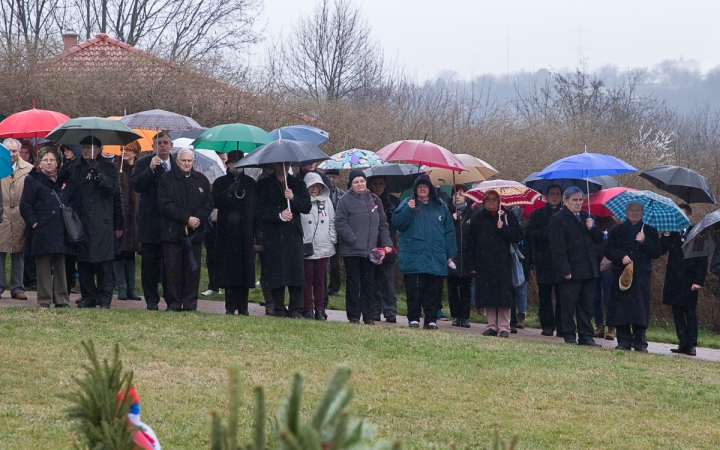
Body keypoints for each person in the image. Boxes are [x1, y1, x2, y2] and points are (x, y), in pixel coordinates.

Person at [64, 136, 123, 309]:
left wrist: (97, 171)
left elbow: (112, 190)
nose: (85, 151)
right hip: (80, 221)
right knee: (84, 262)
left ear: (98, 149)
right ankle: (88, 296)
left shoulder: (108, 168)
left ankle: (104, 298)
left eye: (89, 148)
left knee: (103, 263)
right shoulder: (75, 167)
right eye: (83, 148)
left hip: (102, 221)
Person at [393, 175, 456, 330]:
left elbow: (449, 231)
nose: (422, 188)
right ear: (415, 188)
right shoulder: (407, 203)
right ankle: (413, 318)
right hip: (414, 255)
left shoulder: (441, 206)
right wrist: (409, 209)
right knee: (414, 290)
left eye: (425, 186)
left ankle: (431, 319)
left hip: (436, 255)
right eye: (419, 186)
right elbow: (397, 223)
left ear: (430, 189)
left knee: (433, 290)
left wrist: (450, 254)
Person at [158, 149, 213, 311]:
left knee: (192, 270)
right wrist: (186, 218)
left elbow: (208, 203)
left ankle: (190, 303)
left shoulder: (201, 180)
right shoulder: (166, 179)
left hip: (195, 234)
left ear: (194, 162)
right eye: (184, 160)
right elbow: (165, 204)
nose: (187, 163)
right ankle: (174, 303)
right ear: (177, 161)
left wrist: (197, 219)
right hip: (172, 233)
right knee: (173, 271)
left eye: (190, 161)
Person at [255, 161, 311, 318]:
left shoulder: (298, 184)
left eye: (287, 164)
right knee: (275, 271)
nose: (284, 167)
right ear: (274, 165)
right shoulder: (263, 185)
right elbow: (258, 209)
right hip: (273, 234)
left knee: (295, 272)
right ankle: (278, 308)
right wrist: (279, 215)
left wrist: (293, 198)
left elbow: (306, 206)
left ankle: (296, 309)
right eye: (280, 164)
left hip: (293, 234)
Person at [335, 170, 392, 324]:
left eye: (362, 181)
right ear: (351, 184)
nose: (360, 184)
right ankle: (353, 316)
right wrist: (353, 239)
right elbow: (340, 222)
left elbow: (383, 224)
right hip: (352, 251)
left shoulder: (374, 199)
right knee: (353, 283)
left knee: (369, 284)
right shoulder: (344, 200)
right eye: (356, 182)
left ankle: (369, 315)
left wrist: (387, 244)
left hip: (370, 251)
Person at [604, 201, 663, 352]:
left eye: (638, 210)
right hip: (620, 275)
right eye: (631, 210)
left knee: (639, 310)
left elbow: (657, 252)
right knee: (621, 308)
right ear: (626, 211)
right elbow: (609, 250)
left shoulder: (650, 231)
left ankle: (640, 343)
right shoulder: (616, 230)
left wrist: (645, 241)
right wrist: (621, 256)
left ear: (642, 213)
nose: (634, 213)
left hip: (641, 277)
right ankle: (623, 341)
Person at [549, 187, 604, 346]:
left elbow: (599, 239)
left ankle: (586, 336)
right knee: (568, 305)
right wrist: (564, 269)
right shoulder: (558, 219)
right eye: (575, 200)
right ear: (565, 201)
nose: (578, 203)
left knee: (586, 306)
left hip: (588, 269)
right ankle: (569, 335)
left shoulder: (588, 217)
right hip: (571, 270)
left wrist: (592, 227)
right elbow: (557, 248)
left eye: (581, 199)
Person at [466, 190, 523, 337]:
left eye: (494, 199)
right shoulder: (478, 218)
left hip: (504, 263)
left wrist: (503, 228)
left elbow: (518, 236)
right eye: (488, 199)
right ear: (484, 201)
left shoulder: (508, 216)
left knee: (504, 296)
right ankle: (492, 325)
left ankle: (504, 326)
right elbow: (470, 242)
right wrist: (471, 264)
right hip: (484, 263)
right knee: (488, 295)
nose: (491, 202)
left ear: (499, 201)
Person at [19, 147, 70, 308]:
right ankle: (44, 299)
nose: (48, 163)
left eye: (52, 160)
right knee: (43, 265)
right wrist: (34, 223)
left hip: (61, 227)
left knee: (61, 264)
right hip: (42, 228)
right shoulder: (32, 179)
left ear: (57, 163)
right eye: (45, 160)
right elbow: (25, 205)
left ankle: (61, 298)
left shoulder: (64, 178)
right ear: (39, 163)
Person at [132, 131, 175, 310]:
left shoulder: (177, 164)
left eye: (165, 142)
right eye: (158, 143)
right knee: (149, 263)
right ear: (153, 146)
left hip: (170, 222)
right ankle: (151, 299)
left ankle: (171, 298)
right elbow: (137, 185)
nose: (162, 145)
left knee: (169, 264)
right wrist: (150, 169)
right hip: (149, 220)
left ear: (171, 146)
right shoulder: (143, 163)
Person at [211, 151, 256, 315]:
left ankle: (243, 306)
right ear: (227, 164)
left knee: (245, 270)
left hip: (245, 231)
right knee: (229, 270)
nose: (237, 168)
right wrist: (229, 192)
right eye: (233, 164)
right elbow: (214, 201)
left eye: (240, 164)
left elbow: (255, 207)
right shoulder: (220, 182)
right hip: (227, 233)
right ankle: (230, 305)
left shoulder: (250, 183)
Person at [660, 204, 706, 356]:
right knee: (677, 312)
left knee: (690, 312)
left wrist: (699, 280)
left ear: (690, 217)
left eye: (683, 215)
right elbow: (663, 248)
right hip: (674, 279)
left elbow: (702, 259)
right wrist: (665, 233)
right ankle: (682, 342)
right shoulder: (672, 232)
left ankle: (691, 344)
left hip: (690, 280)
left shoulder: (697, 234)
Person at [526, 185, 563, 336]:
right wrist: (550, 230)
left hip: (562, 261)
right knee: (545, 295)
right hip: (544, 260)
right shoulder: (537, 215)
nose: (555, 196)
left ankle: (562, 325)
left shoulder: (566, 214)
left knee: (562, 296)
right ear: (546, 196)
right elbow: (530, 234)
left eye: (558, 194)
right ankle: (547, 325)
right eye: (552, 194)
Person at [301, 172, 337, 319]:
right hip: (307, 245)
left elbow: (332, 221)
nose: (314, 189)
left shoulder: (326, 201)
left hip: (324, 245)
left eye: (317, 186)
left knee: (320, 279)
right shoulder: (302, 201)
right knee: (307, 279)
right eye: (311, 186)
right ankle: (308, 308)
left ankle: (320, 310)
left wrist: (331, 238)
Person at [0, 138, 32, 300]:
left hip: (21, 215)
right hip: (2, 214)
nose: (11, 154)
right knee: (0, 252)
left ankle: (17, 287)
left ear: (19, 152)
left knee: (19, 253)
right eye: (8, 151)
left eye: (14, 151)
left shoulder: (29, 169)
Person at [368, 175, 400, 323]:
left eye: (381, 184)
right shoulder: (367, 200)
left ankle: (390, 311)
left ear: (385, 185)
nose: (378, 186)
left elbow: (399, 222)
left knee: (387, 281)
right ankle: (374, 310)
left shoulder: (394, 202)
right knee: (372, 279)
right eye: (375, 184)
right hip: (371, 245)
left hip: (387, 245)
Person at [113, 141, 142, 301]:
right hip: (121, 215)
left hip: (135, 217)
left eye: (129, 150)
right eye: (123, 149)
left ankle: (131, 288)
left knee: (131, 253)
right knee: (119, 251)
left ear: (135, 152)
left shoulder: (139, 169)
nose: (125, 152)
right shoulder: (116, 168)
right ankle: (121, 288)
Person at [202, 151, 228, 297]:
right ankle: (213, 285)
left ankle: (226, 283)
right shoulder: (208, 175)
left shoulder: (231, 178)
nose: (223, 162)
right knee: (211, 254)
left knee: (226, 254)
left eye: (225, 160)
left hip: (227, 222)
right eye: (221, 159)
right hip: (212, 221)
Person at [447, 184, 474, 328]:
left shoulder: (472, 212)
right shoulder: (447, 211)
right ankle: (456, 315)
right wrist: (452, 220)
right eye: (455, 193)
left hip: (467, 256)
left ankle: (465, 316)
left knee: (465, 288)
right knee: (452, 289)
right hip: (452, 256)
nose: (457, 196)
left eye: (461, 193)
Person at [592, 216, 619, 340]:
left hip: (607, 265)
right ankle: (599, 325)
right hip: (593, 264)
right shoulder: (591, 222)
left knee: (609, 296)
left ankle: (611, 327)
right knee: (595, 296)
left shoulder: (613, 225)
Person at [60, 145, 81, 294]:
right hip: (64, 213)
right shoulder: (65, 166)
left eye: (68, 149)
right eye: (64, 150)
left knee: (75, 253)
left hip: (76, 213)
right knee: (67, 255)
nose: (66, 152)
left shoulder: (77, 167)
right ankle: (65, 286)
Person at [324, 168, 345, 297]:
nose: (331, 180)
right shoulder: (321, 192)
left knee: (335, 263)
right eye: (329, 177)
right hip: (322, 231)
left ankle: (334, 288)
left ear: (337, 179)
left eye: (333, 177)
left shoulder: (342, 195)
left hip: (337, 233)